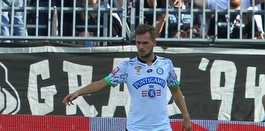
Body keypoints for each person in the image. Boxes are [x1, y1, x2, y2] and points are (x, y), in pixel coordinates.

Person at [62, 24, 193, 131]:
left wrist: (186, 117)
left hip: (162, 127)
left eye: (145, 43)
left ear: (154, 42)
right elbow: (102, 83)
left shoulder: (166, 64)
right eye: (138, 43)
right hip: (136, 128)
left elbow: (176, 92)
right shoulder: (127, 66)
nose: (141, 47)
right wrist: (79, 92)